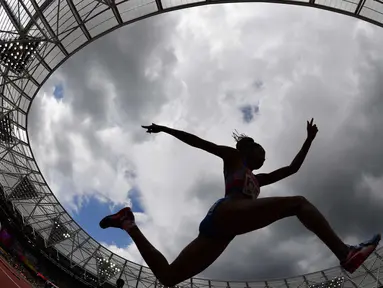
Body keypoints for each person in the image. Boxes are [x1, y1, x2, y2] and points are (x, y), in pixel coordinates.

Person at [100, 119, 380, 287]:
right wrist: (164, 129)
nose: (264, 155)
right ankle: (346, 253)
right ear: (246, 148)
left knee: (169, 277)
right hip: (228, 211)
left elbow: (292, 169)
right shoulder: (233, 158)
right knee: (299, 204)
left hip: (220, 231)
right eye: (261, 150)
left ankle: (127, 222)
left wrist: (308, 140)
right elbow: (198, 142)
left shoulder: (258, 179)